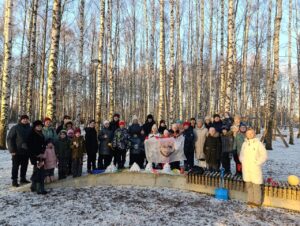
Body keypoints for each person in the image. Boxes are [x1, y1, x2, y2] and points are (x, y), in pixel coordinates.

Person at [239, 129, 267, 207]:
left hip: (255, 168)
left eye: (251, 133)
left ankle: (257, 202)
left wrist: (257, 163)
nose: (250, 134)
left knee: (256, 185)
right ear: (246, 135)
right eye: (248, 133)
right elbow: (241, 154)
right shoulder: (244, 144)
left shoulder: (258, 144)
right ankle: (250, 200)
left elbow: (264, 155)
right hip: (246, 168)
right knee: (249, 185)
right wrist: (242, 160)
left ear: (254, 134)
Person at [7, 115, 32, 187]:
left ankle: (23, 178)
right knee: (15, 166)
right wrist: (12, 150)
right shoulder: (15, 128)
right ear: (21, 120)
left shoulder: (30, 128)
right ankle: (14, 180)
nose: (25, 120)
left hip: (26, 151)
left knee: (24, 165)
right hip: (17, 151)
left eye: (26, 119)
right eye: (23, 119)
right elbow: (10, 139)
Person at [27, 120, 46, 191]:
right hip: (35, 155)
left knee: (39, 171)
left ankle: (34, 186)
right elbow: (30, 146)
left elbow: (43, 144)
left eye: (40, 126)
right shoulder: (32, 134)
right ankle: (39, 188)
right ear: (35, 127)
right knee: (38, 171)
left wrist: (42, 151)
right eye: (38, 126)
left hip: (41, 155)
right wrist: (36, 155)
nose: (39, 127)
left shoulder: (41, 134)